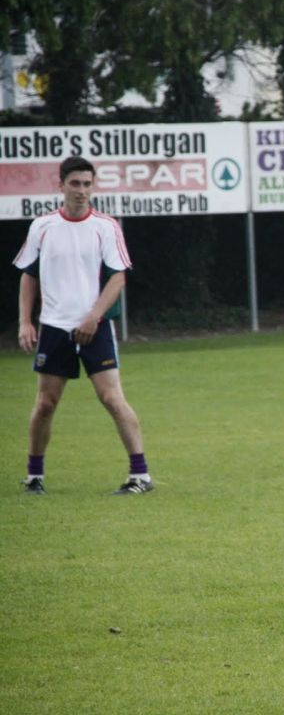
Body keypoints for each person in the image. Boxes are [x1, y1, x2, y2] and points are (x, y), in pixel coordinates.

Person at [14, 156, 154, 495]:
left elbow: (117, 277)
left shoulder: (105, 226)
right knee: (46, 403)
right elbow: (28, 275)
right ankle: (34, 476)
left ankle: (140, 475)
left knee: (111, 397)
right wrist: (25, 321)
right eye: (75, 184)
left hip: (97, 327)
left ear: (94, 186)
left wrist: (93, 316)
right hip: (54, 327)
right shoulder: (42, 226)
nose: (81, 191)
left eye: (87, 184)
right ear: (60, 185)